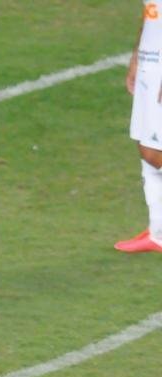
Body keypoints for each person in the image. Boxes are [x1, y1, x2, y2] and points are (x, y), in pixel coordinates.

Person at [116, 3, 162, 252]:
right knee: (146, 144)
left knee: (153, 153)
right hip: (150, 63)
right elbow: (150, 16)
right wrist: (137, 56)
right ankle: (158, 233)